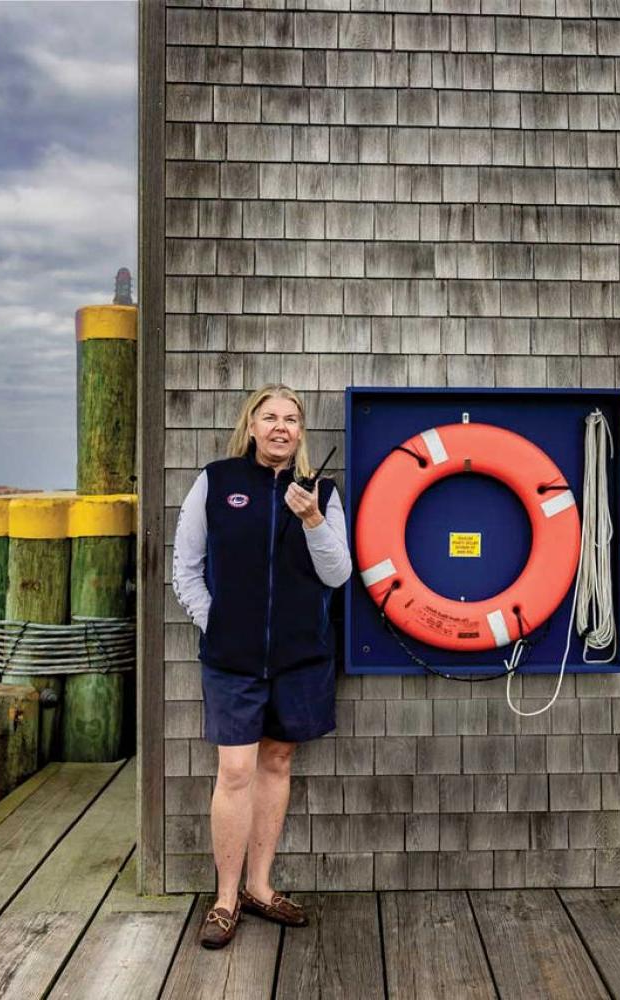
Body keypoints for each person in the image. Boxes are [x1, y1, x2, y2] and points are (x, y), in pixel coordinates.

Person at [171, 383, 351, 949]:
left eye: (291, 419)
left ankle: (259, 885)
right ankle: (225, 900)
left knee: (276, 762)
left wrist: (315, 521)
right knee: (235, 772)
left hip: (301, 658)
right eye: (269, 417)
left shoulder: (321, 493)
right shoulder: (217, 481)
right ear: (251, 426)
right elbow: (186, 566)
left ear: (301, 432)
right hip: (233, 660)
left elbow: (338, 574)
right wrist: (215, 622)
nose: (280, 427)